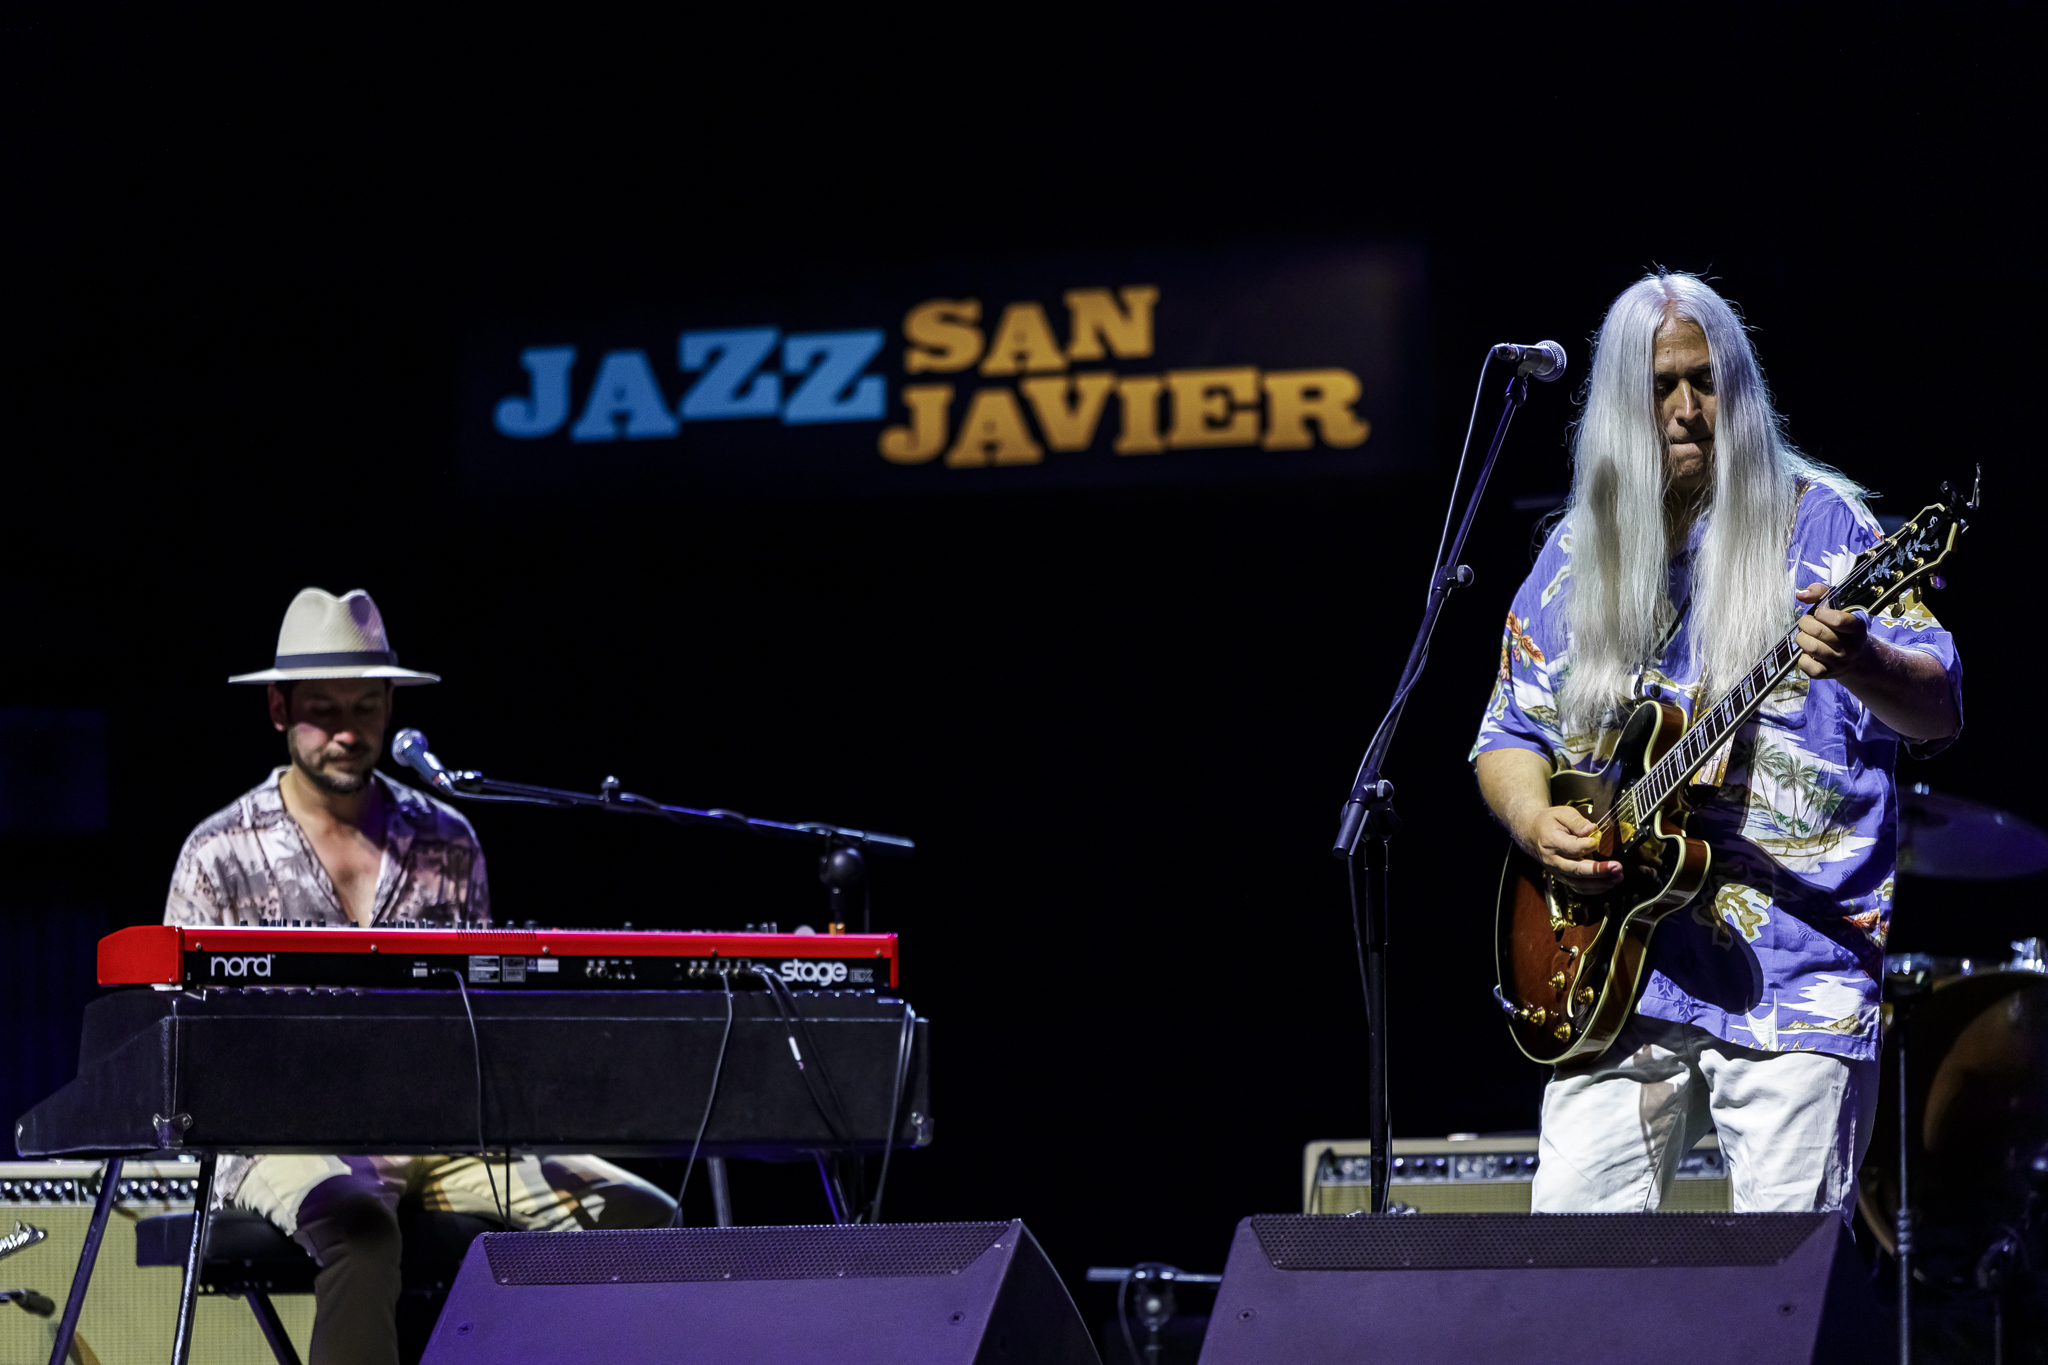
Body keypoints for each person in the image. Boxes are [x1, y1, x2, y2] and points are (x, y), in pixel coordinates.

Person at [1472, 273, 1963, 1215]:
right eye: (1661, 387)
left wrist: (1864, 660)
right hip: (1618, 976)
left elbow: (1940, 706)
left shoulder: (1827, 527)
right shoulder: (1576, 554)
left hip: (1797, 974)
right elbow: (1509, 731)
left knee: (1779, 1285)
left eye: (1706, 381)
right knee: (1568, 1271)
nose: (1688, 409)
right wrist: (1536, 822)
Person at [167, 587, 675, 1365]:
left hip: (434, 1132)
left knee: (639, 1212)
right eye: (324, 710)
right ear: (278, 709)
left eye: (366, 707)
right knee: (363, 1233)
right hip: (286, 1138)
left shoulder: (447, 838)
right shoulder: (219, 851)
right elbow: (182, 1041)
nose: (348, 730)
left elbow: (482, 1005)